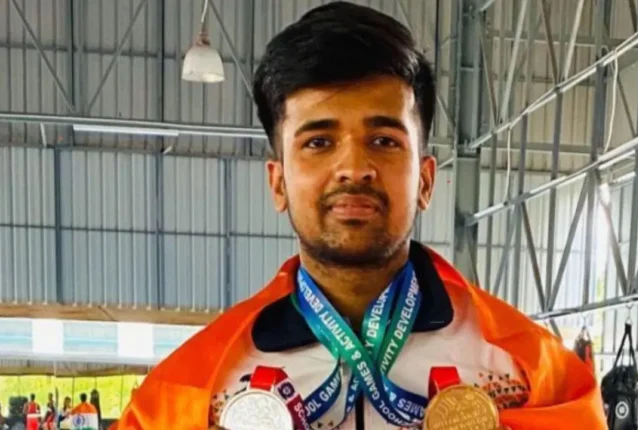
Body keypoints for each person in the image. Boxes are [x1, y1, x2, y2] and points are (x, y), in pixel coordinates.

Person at [114, 2, 605, 429]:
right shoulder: (193, 391)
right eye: (318, 142)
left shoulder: (533, 376)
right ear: (278, 182)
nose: (354, 167)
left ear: (425, 180)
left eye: (384, 140)